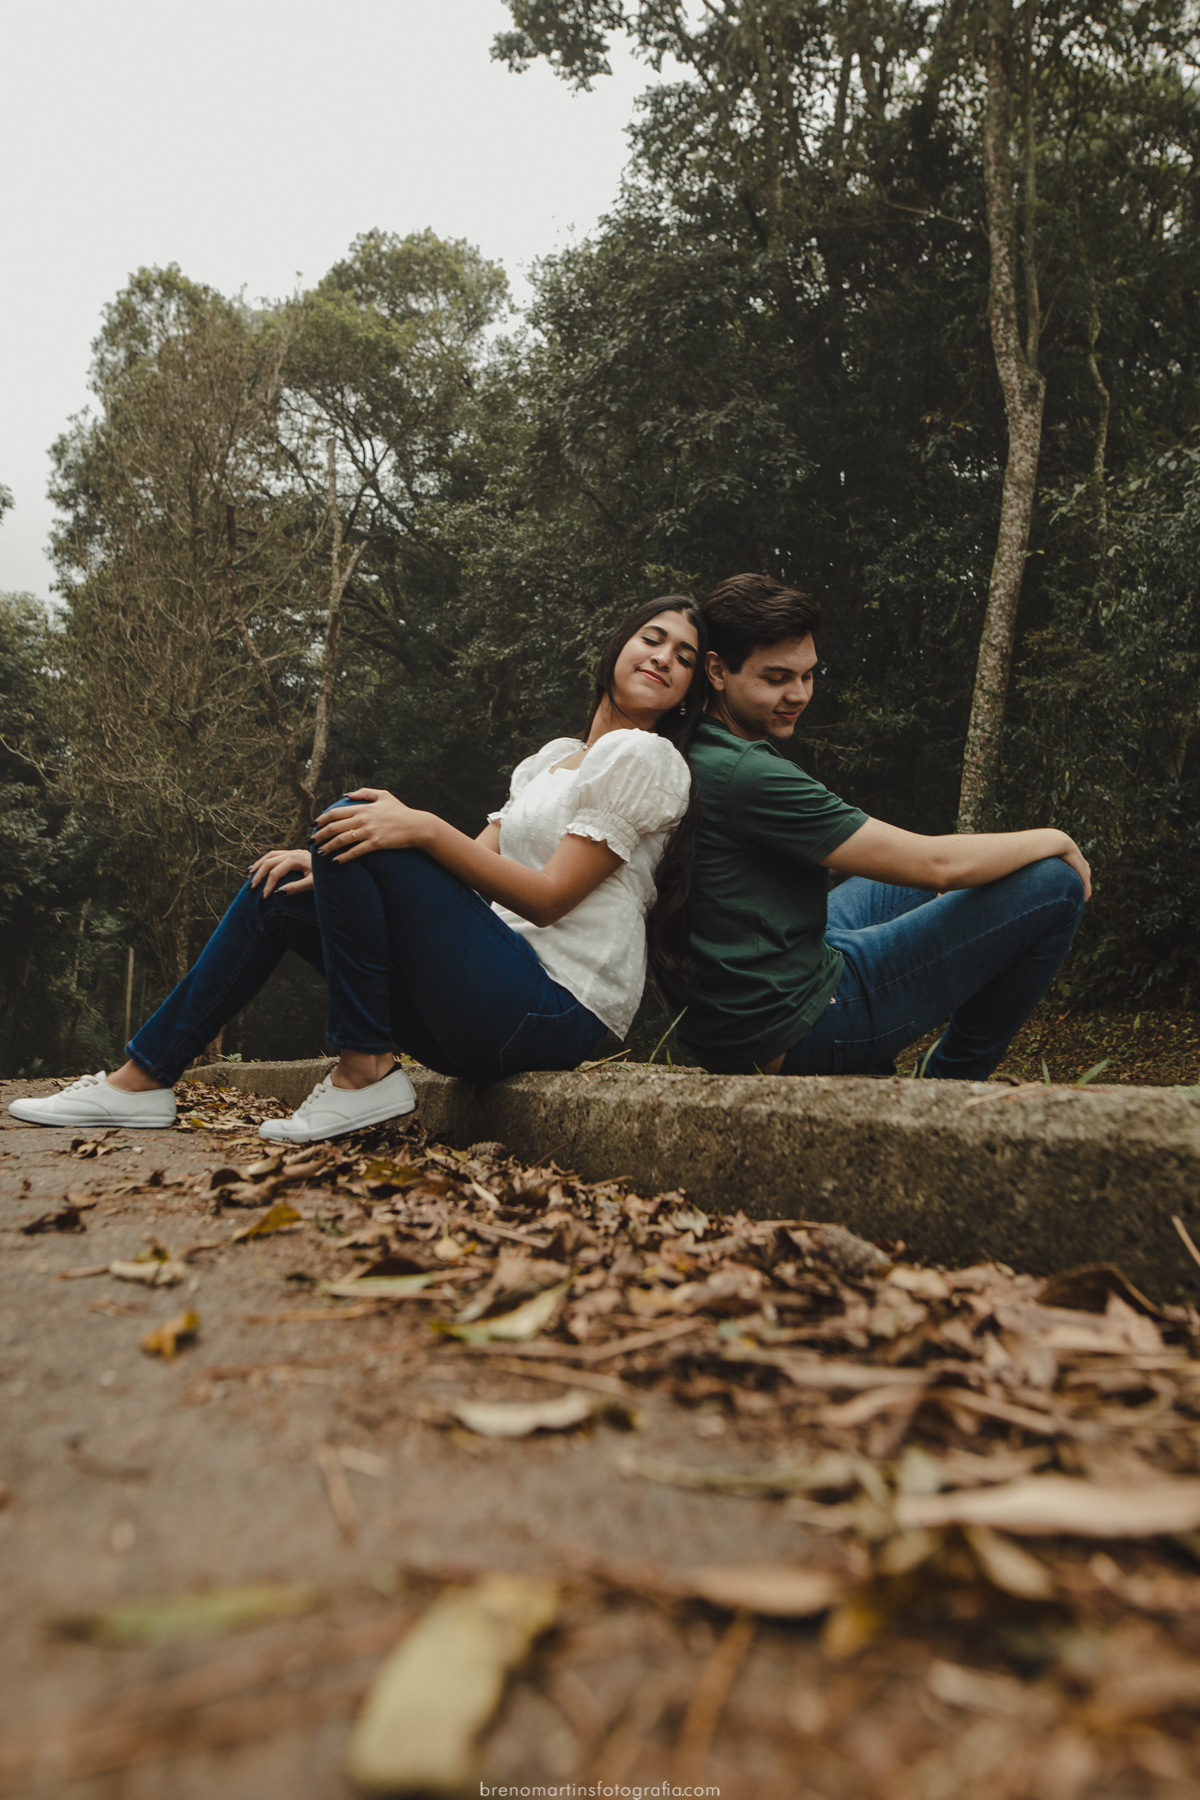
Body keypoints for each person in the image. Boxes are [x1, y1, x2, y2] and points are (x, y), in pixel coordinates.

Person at [11, 597, 705, 1141]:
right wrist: (333, 871)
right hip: (484, 997)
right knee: (289, 882)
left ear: (687, 690)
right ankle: (142, 1079)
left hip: (556, 1008)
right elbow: (463, 877)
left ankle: (363, 1069)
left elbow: (550, 898)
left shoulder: (646, 759)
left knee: (358, 817)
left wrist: (421, 827)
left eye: (685, 657)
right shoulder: (551, 758)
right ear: (619, 643)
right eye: (653, 637)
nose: (664, 658)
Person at [674, 573, 1089, 1079]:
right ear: (716, 671)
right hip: (793, 1025)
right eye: (777, 678)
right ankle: (951, 1082)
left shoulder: (694, 743)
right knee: (1053, 884)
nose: (799, 694)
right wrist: (1056, 838)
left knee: (892, 882)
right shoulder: (749, 775)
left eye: (808, 675)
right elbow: (936, 866)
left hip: (743, 1000)